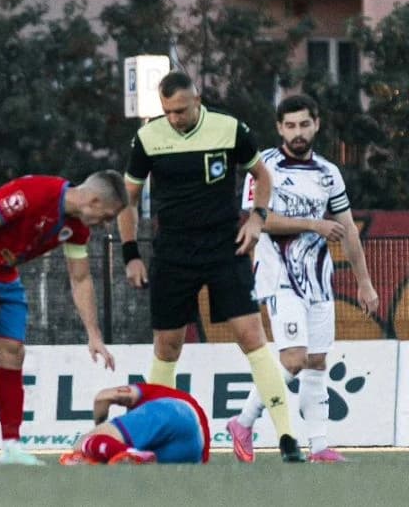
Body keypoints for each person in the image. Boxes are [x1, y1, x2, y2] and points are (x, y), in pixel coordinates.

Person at [118, 70, 305, 462]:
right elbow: (127, 199)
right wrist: (131, 253)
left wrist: (257, 218)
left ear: (197, 100)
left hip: (224, 248)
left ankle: (288, 438)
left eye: (181, 110)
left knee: (251, 337)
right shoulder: (148, 138)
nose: (175, 118)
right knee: (167, 346)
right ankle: (153, 439)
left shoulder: (230, 129)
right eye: (168, 111)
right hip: (173, 252)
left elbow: (262, 176)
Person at [228, 94, 378, 464]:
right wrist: (312, 223)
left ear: (316, 125)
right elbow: (257, 220)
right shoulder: (264, 168)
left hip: (318, 279)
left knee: (316, 361)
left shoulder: (329, 173)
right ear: (279, 128)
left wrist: (365, 282)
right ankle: (243, 422)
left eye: (304, 124)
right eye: (290, 126)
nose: (297, 132)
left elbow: (348, 230)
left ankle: (319, 445)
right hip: (279, 276)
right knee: (293, 358)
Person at [0, 171, 126, 467]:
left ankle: (11, 447)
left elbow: (80, 279)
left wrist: (94, 334)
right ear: (92, 201)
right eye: (106, 217)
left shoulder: (77, 229)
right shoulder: (36, 194)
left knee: (14, 353)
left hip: (4, 273)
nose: (105, 225)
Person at [59, 382, 210, 465]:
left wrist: (99, 429)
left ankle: (124, 452)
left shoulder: (149, 391)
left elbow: (103, 397)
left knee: (83, 442)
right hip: (193, 450)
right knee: (140, 460)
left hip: (175, 411)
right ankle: (126, 453)